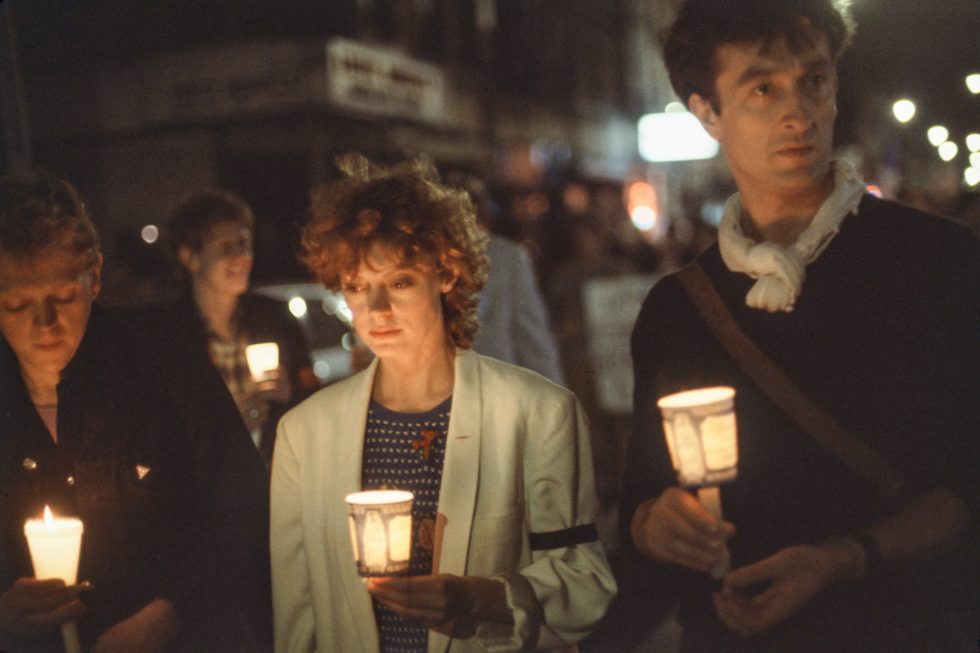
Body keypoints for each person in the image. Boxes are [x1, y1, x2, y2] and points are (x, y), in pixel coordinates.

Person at [621, 1, 978, 651]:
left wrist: (842, 557)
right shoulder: (677, 309)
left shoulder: (939, 261)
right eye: (763, 87)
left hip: (911, 627)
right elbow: (642, 494)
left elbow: (967, 477)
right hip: (729, 633)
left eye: (814, 79)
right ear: (707, 113)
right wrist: (654, 523)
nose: (799, 112)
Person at [270, 155, 616, 652]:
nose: (377, 310)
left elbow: (585, 583)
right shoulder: (305, 433)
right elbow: (297, 615)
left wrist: (482, 597)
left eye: (400, 282)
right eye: (357, 287)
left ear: (447, 275)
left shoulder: (536, 413)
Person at [0, 174, 272, 651]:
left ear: (95, 278)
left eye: (63, 297)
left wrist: (172, 612)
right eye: (16, 304)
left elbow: (247, 511)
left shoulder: (166, 369)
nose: (44, 324)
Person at [164, 190, 318, 465]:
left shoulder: (275, 318)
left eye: (245, 243)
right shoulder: (168, 336)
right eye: (225, 247)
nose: (242, 256)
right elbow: (162, 431)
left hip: (274, 471)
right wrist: (228, 428)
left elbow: (315, 399)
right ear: (190, 257)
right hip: (206, 488)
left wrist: (290, 392)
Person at [446, 172, 566, 386]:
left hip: (492, 388)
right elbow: (533, 337)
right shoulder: (425, 258)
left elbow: (532, 337)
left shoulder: (505, 258)